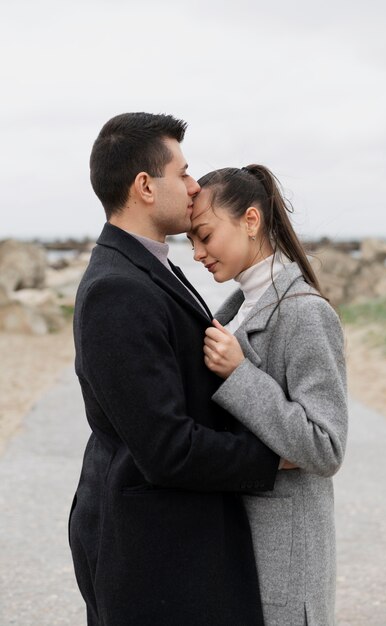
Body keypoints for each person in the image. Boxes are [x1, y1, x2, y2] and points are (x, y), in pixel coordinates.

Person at [68, 114, 283, 626]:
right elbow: (167, 448)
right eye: (183, 174)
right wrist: (274, 457)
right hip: (152, 553)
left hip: (171, 542)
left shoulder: (149, 265)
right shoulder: (116, 289)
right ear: (145, 186)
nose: (193, 187)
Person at [187, 165, 349, 626]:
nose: (198, 252)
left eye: (205, 235)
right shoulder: (238, 308)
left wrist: (240, 374)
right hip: (238, 549)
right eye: (190, 241)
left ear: (251, 221)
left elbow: (326, 446)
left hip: (284, 566)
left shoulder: (306, 314)